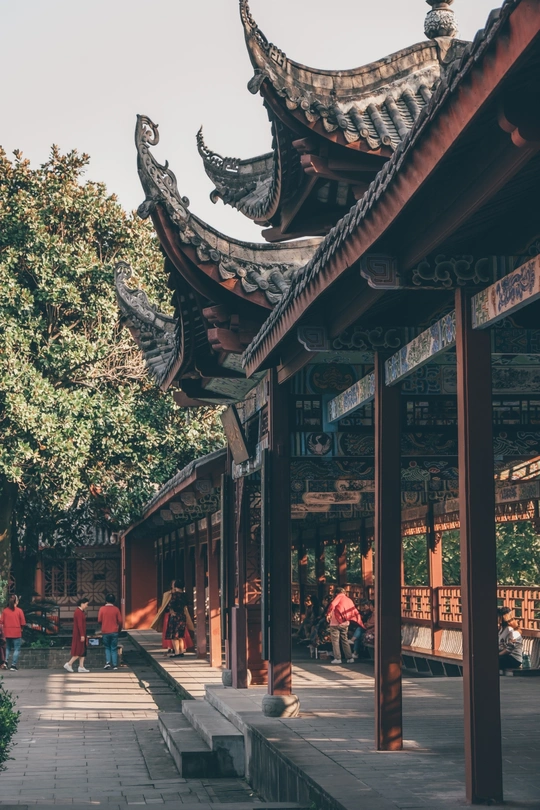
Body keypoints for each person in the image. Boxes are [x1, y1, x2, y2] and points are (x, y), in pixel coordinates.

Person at [326, 587, 363, 664]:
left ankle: (337, 658)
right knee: (345, 640)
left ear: (336, 593)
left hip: (335, 622)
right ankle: (349, 658)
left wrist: (328, 614)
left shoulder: (338, 597)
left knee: (335, 641)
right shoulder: (349, 600)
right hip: (345, 622)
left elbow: (332, 604)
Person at [151, 579, 180, 656]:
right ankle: (170, 646)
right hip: (168, 614)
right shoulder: (167, 594)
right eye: (173, 584)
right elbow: (165, 605)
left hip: (178, 614)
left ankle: (178, 649)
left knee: (178, 633)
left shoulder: (180, 594)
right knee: (168, 631)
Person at [98, 593, 123, 671]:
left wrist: (103, 624)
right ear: (114, 601)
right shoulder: (116, 609)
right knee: (114, 648)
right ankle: (115, 665)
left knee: (107, 647)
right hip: (114, 631)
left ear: (106, 600)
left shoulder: (102, 609)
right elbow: (120, 621)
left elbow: (99, 620)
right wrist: (119, 629)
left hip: (105, 631)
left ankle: (108, 663)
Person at [64, 597, 89, 673]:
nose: (87, 606)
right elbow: (79, 624)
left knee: (83, 650)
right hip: (79, 634)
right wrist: (82, 635)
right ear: (82, 604)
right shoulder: (78, 612)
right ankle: (69, 663)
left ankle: (81, 666)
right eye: (86, 604)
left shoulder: (80, 612)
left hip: (81, 633)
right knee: (79, 650)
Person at [1, 595, 26, 672]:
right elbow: (23, 622)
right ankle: (13, 665)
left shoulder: (5, 611)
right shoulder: (19, 611)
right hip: (16, 632)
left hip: (6, 633)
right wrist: (21, 629)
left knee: (7, 648)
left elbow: (1, 622)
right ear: (16, 602)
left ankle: (5, 662)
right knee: (16, 649)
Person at [166, 589, 190, 658]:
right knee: (180, 636)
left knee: (174, 636)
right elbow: (187, 604)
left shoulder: (175, 595)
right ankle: (181, 651)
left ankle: (177, 652)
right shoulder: (184, 595)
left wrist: (171, 611)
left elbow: (170, 605)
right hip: (182, 616)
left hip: (175, 616)